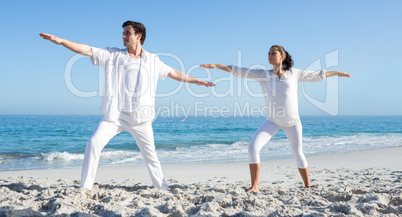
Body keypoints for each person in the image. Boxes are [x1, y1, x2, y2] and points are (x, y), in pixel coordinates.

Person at [40, 21, 215, 191]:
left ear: (138, 36)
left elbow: (174, 73)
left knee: (151, 156)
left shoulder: (153, 60)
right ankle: (85, 187)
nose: (123, 36)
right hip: (114, 116)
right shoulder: (113, 55)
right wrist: (61, 41)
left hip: (141, 119)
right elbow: (86, 49)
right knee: (93, 143)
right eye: (123, 33)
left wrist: (196, 81)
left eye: (127, 33)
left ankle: (162, 189)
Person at [201, 45, 350, 192]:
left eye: (273, 53)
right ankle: (255, 186)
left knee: (298, 152)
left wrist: (336, 73)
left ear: (282, 56)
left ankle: (307, 185)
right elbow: (239, 71)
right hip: (272, 121)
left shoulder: (294, 73)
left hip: (293, 122)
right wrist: (216, 66)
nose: (269, 56)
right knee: (252, 148)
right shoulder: (263, 75)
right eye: (268, 53)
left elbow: (316, 75)